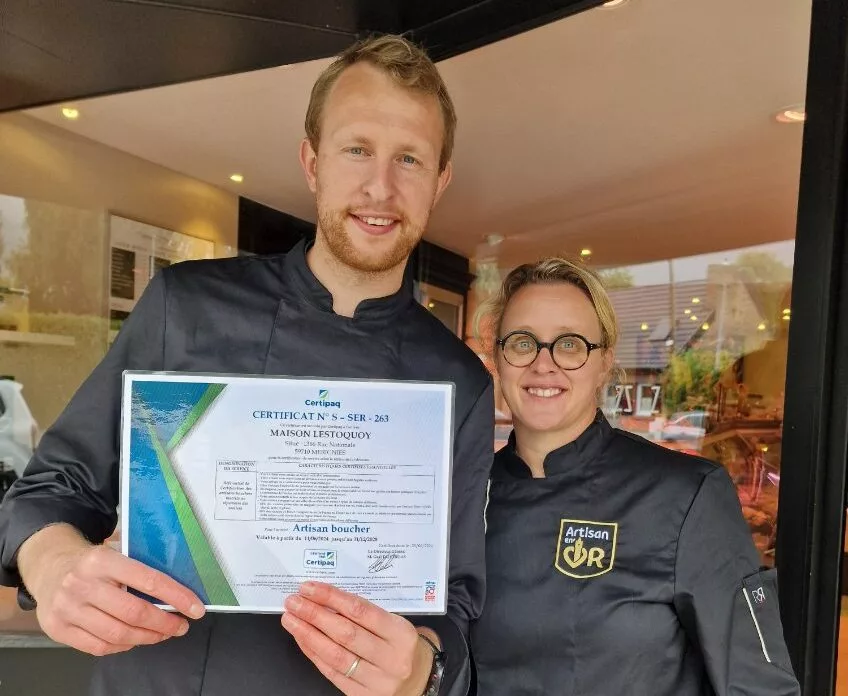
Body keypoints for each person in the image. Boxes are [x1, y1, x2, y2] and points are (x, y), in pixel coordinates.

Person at [0, 35, 494, 696]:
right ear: (312, 161)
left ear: (440, 179)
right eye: (357, 149)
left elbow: (454, 603)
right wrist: (53, 564)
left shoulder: (459, 381)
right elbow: (53, 487)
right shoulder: (185, 307)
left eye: (410, 158)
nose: (381, 186)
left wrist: (422, 672)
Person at [469, 258, 800, 695]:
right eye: (523, 342)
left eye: (570, 344)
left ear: (605, 362)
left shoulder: (686, 495)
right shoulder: (466, 496)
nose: (543, 364)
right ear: (498, 357)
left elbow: (759, 687)